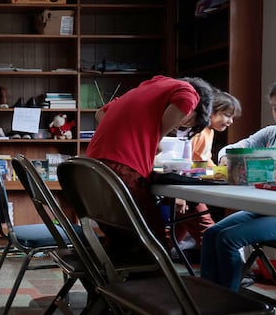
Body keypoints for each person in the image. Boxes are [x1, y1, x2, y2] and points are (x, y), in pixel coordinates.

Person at [85, 75, 213, 251]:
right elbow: (186, 101)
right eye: (188, 121)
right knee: (152, 241)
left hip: (93, 168)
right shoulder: (187, 91)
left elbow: (101, 113)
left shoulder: (148, 87)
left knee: (120, 236)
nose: (180, 126)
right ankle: (153, 277)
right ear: (196, 108)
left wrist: (143, 135)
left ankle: (117, 276)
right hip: (122, 168)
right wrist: (156, 136)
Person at [201, 76, 276, 291]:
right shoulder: (273, 132)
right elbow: (231, 149)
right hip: (266, 209)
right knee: (210, 235)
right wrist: (227, 158)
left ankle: (227, 305)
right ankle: (208, 299)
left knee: (228, 239)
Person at [169, 90, 241, 253]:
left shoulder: (209, 132)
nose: (230, 121)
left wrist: (219, 173)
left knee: (173, 233)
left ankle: (149, 260)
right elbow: (181, 164)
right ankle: (224, 272)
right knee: (207, 231)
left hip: (193, 189)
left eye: (232, 117)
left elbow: (203, 161)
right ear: (210, 111)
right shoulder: (198, 132)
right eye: (226, 115)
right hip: (187, 191)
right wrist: (178, 195)